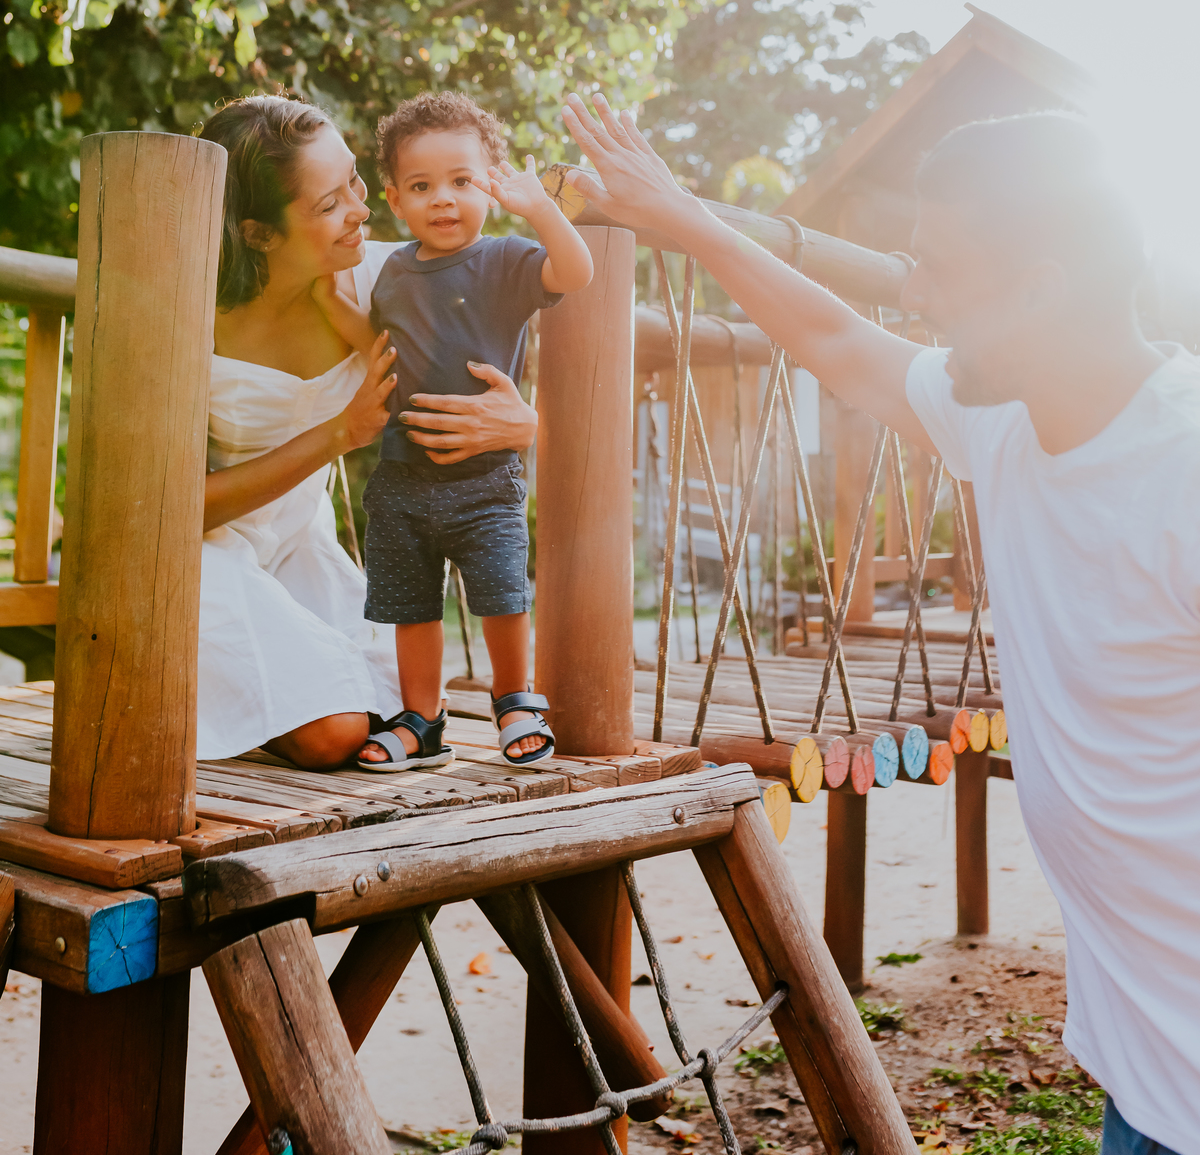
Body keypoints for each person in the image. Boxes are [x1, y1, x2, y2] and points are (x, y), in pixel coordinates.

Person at [561, 93, 1200, 1155]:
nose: (912, 289)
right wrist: (683, 214)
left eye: (936, 264)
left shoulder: (1182, 468)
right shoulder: (1003, 414)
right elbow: (838, 342)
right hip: (1146, 1073)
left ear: (1036, 291)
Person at [197, 94, 538, 768]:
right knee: (335, 734)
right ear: (259, 231)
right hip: (197, 554)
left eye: (354, 181)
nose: (361, 209)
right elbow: (168, 511)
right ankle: (204, 685)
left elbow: (517, 342)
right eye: (330, 204)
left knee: (395, 704)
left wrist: (528, 422)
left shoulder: (389, 274)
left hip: (299, 546)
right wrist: (336, 436)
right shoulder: (190, 310)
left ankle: (249, 689)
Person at [315, 90, 593, 771]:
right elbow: (375, 343)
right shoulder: (395, 270)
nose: (443, 199)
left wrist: (541, 208)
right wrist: (326, 299)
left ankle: (515, 700)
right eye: (422, 186)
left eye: (462, 181)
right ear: (395, 199)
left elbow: (577, 272)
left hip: (485, 479)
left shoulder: (506, 259)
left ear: (491, 186)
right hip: (402, 478)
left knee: (501, 594)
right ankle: (422, 718)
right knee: (414, 608)